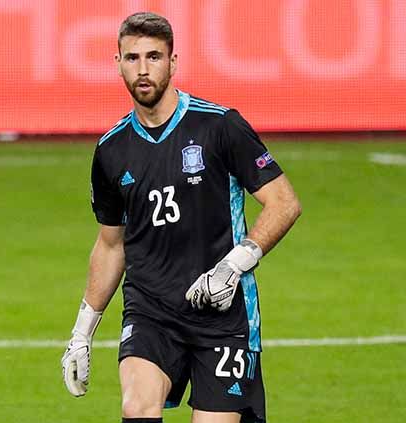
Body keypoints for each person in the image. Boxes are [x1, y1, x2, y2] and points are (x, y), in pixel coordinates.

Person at [61, 12, 301, 423]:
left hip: (223, 314)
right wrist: (82, 332)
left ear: (173, 62)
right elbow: (110, 243)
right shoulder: (111, 150)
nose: (143, 69)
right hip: (150, 309)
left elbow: (283, 202)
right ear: (117, 62)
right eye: (132, 58)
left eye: (154, 57)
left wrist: (232, 266)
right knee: (136, 407)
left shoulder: (220, 126)